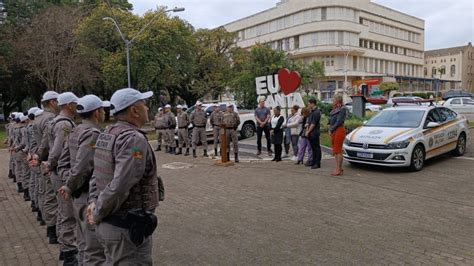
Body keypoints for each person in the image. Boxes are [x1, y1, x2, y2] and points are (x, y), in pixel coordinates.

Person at [87, 88, 164, 265]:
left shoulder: (107, 134)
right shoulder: (133, 140)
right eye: (144, 104)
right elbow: (121, 184)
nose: (147, 108)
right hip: (125, 228)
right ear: (134, 111)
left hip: (111, 224)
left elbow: (96, 174)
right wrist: (97, 210)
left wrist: (93, 202)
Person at [57, 95, 108, 265]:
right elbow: (82, 167)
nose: (104, 113)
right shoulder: (92, 133)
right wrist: (71, 185)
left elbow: (62, 163)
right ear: (96, 112)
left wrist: (67, 183)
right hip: (87, 194)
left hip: (77, 193)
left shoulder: (75, 130)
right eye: (102, 110)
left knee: (83, 241)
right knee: (94, 248)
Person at [45, 92, 79, 262]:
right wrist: (51, 165)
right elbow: (59, 150)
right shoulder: (64, 124)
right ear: (68, 105)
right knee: (67, 213)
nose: (77, 107)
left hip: (57, 171)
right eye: (75, 103)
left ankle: (64, 246)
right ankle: (69, 252)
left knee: (62, 210)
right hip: (61, 172)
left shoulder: (55, 121)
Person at [33, 91, 60, 243]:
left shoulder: (39, 118)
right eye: (58, 101)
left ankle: (51, 227)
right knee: (51, 197)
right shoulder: (51, 118)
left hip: (42, 160)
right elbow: (46, 143)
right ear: (52, 102)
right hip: (49, 161)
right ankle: (53, 230)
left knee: (46, 194)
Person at [329, 94, 347, 176]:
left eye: (334, 99)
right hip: (334, 130)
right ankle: (338, 168)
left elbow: (339, 121)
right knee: (335, 151)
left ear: (337, 100)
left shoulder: (342, 109)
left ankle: (339, 169)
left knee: (338, 150)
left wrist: (332, 129)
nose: (333, 100)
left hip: (339, 130)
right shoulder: (335, 109)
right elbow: (332, 120)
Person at [305, 98, 322, 169]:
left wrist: (308, 131)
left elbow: (313, 124)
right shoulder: (311, 112)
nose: (308, 105)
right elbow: (309, 122)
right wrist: (307, 129)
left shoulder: (317, 112)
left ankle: (317, 163)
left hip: (314, 133)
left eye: (309, 104)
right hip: (311, 133)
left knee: (316, 148)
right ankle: (313, 161)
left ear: (312, 104)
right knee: (312, 148)